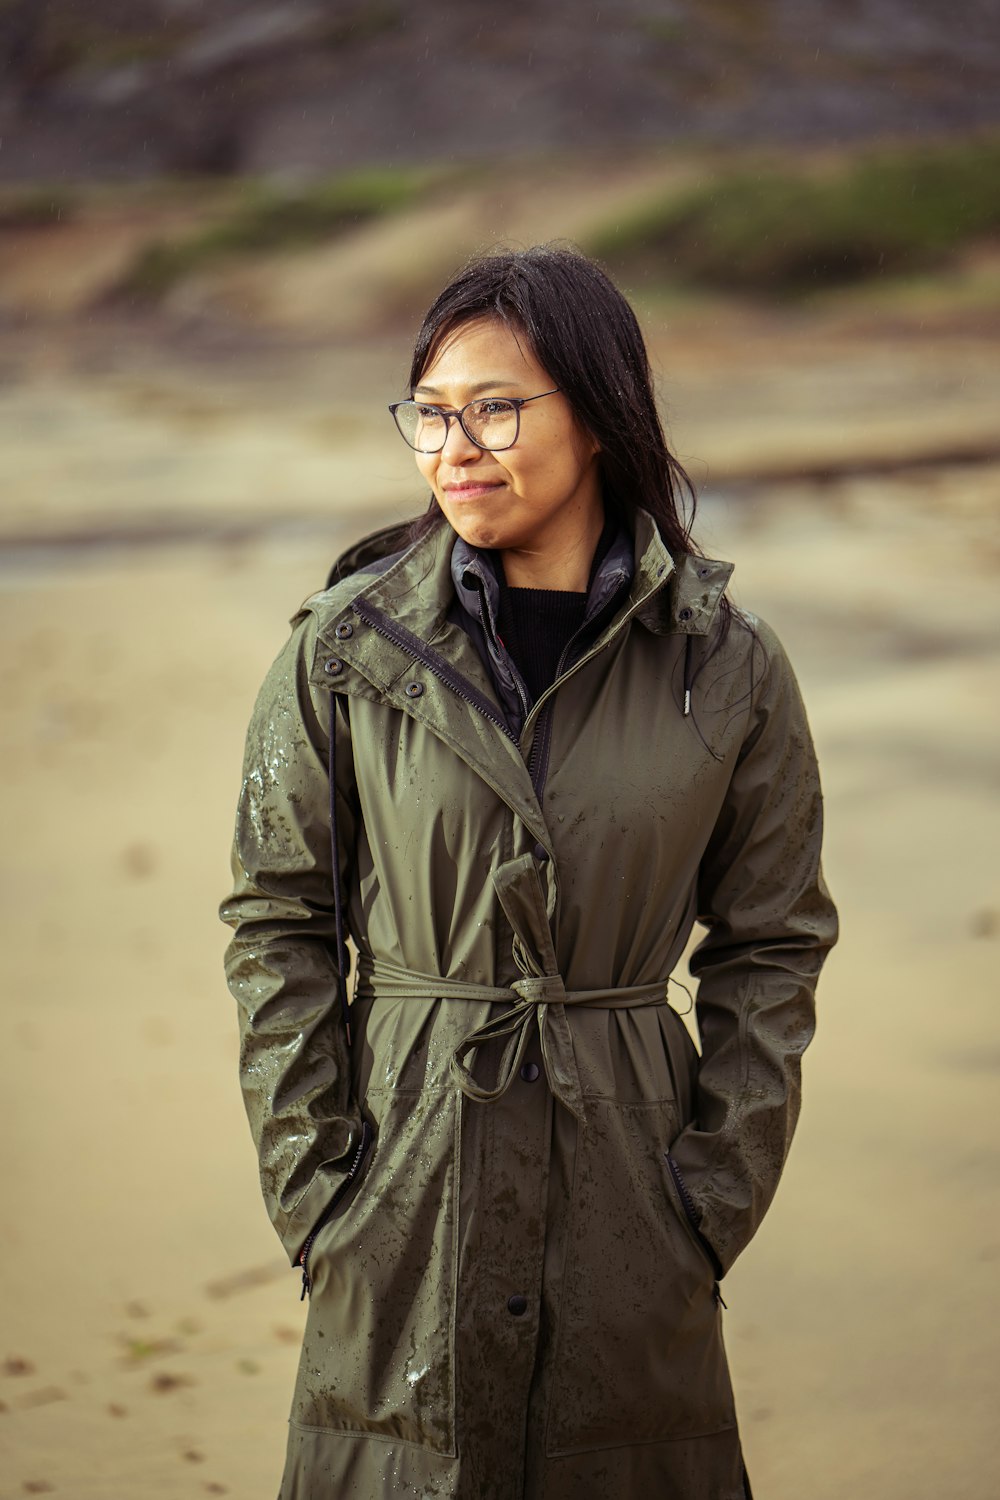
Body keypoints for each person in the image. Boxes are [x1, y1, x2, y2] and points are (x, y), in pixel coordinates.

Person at [220, 244, 838, 1500]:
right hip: (402, 1178)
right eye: (431, 414)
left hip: (630, 1184)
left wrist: (711, 1195)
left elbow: (771, 942)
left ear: (601, 418)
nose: (457, 444)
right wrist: (318, 1189)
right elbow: (275, 923)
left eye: (496, 407)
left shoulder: (724, 662)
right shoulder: (344, 649)